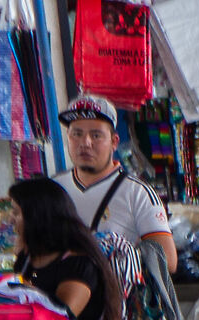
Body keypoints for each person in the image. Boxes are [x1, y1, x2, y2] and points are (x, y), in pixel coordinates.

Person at [10, 178, 124, 320]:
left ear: (37, 216)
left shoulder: (79, 265)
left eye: (17, 213)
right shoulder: (27, 259)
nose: (11, 219)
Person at [52, 94, 174, 274]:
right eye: (77, 134)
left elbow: (168, 262)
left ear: (114, 142)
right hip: (60, 299)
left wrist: (120, 253)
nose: (85, 143)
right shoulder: (52, 189)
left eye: (96, 135)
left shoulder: (138, 193)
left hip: (115, 300)